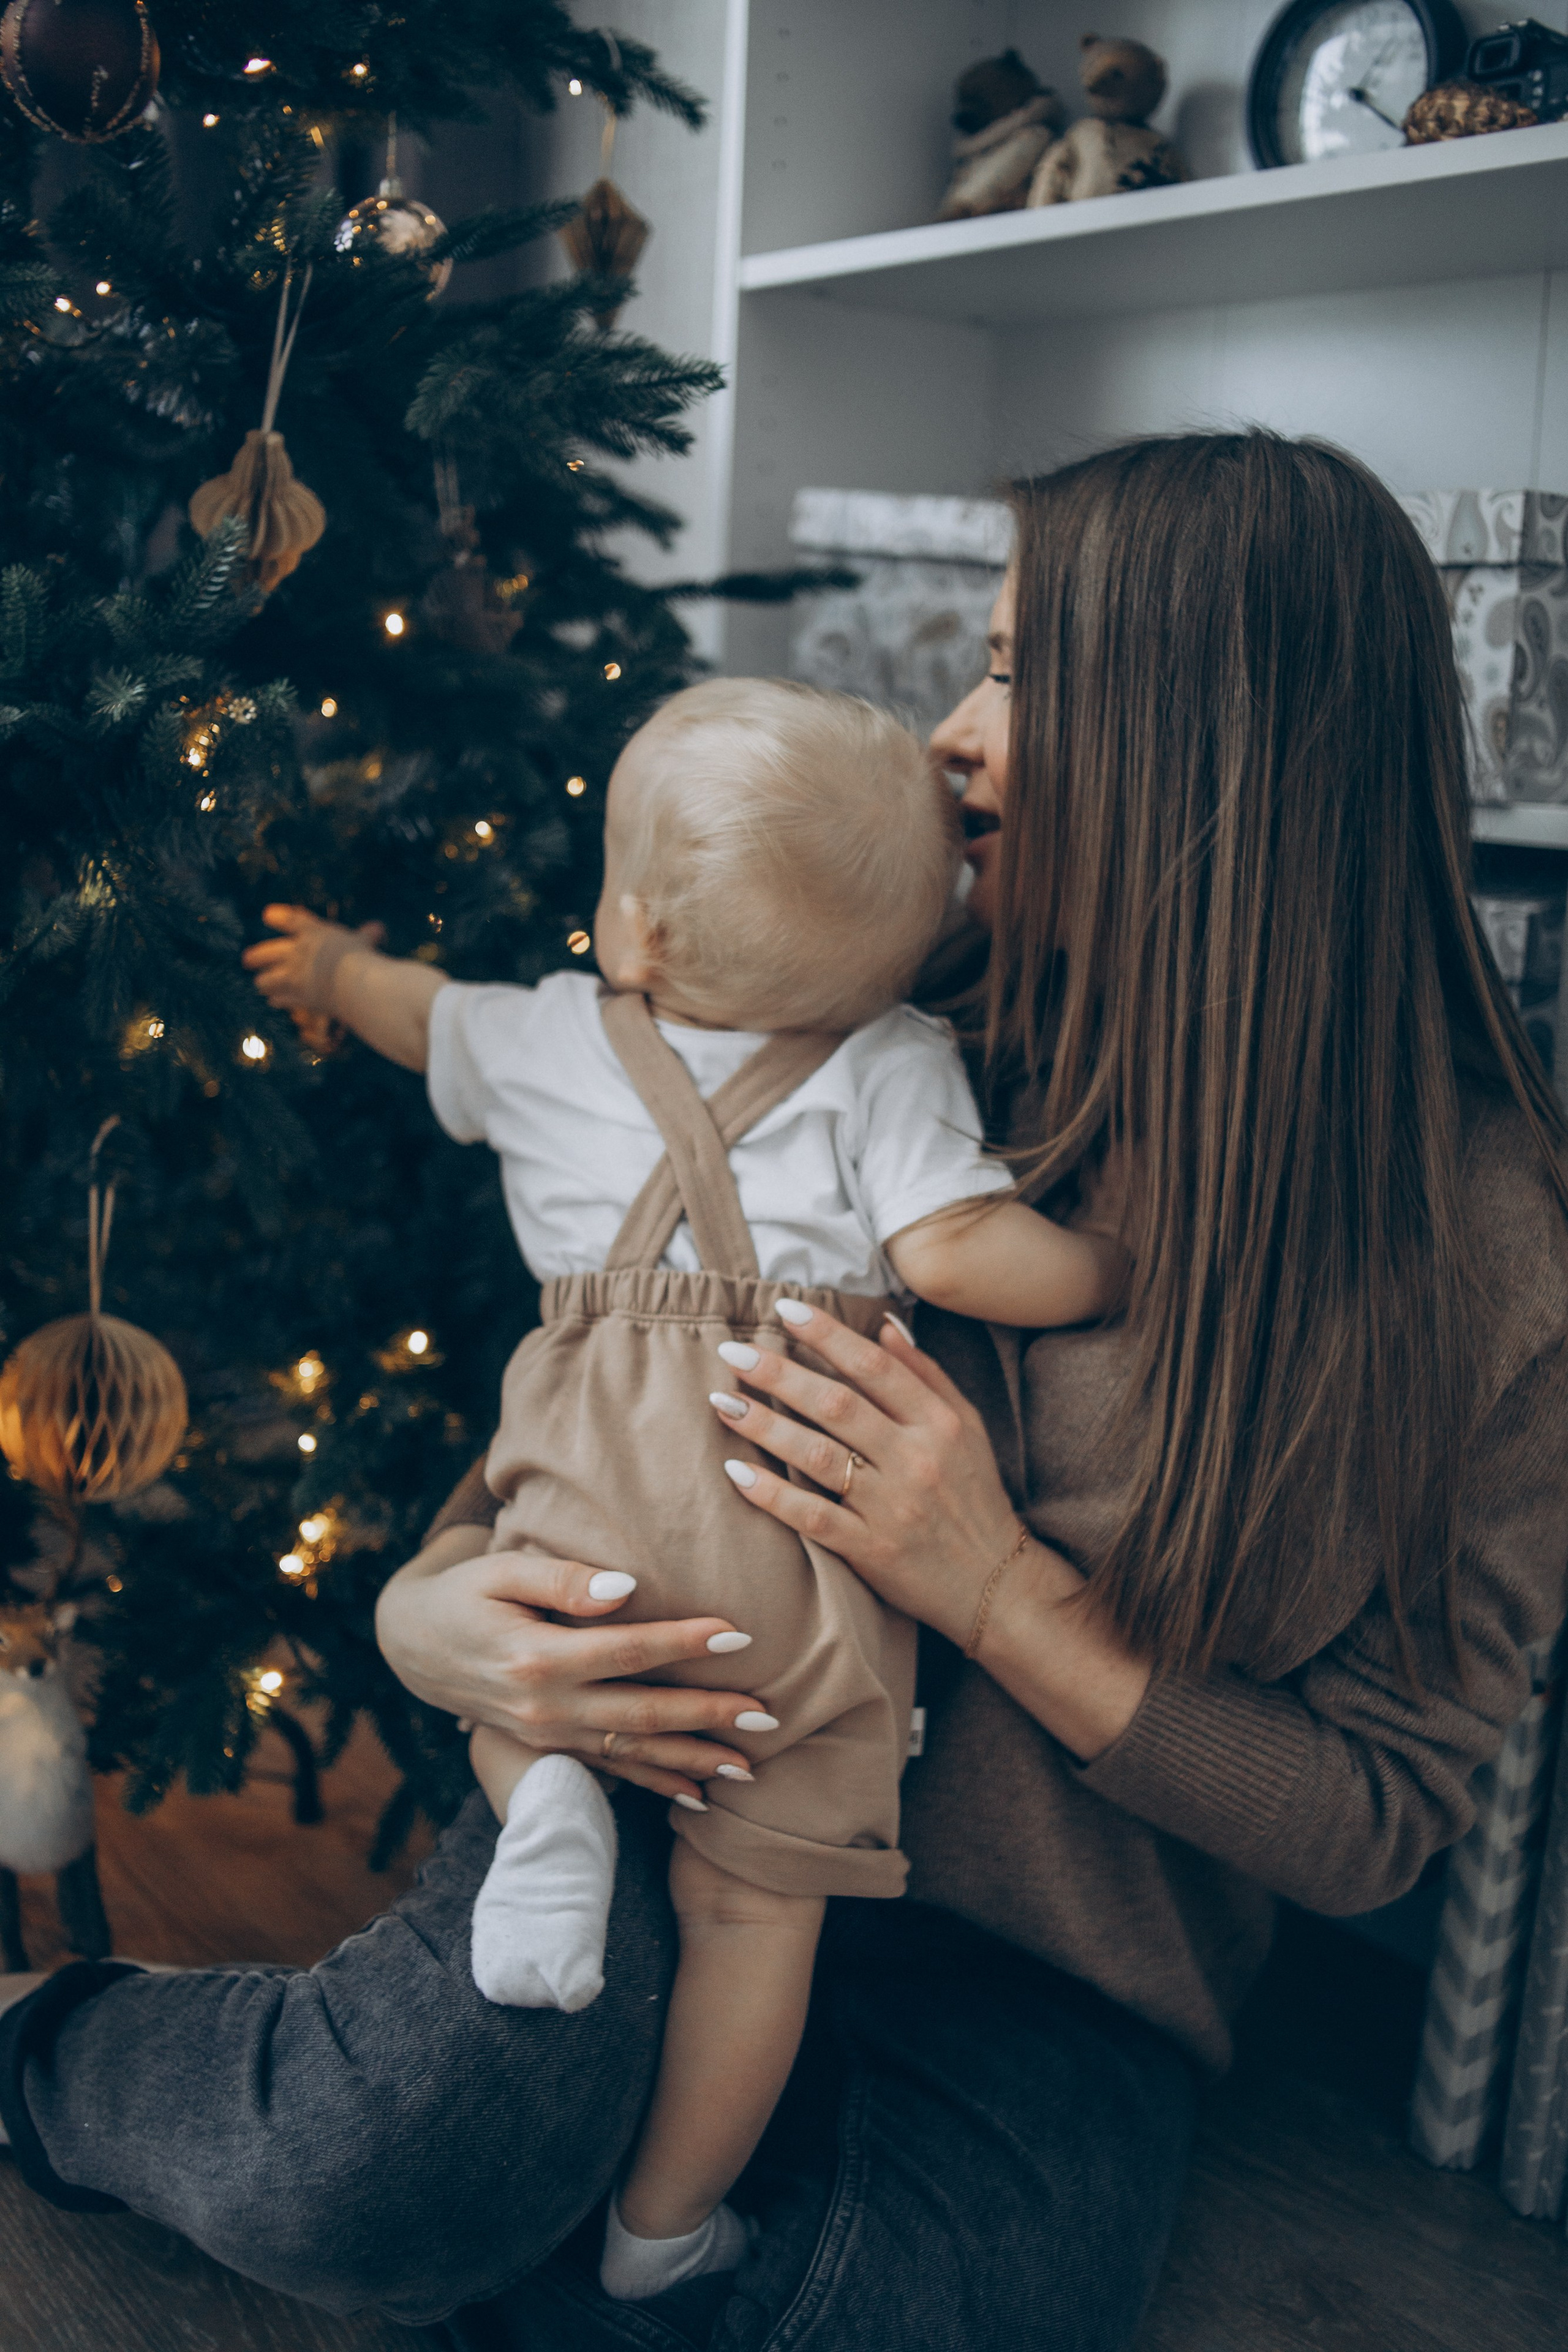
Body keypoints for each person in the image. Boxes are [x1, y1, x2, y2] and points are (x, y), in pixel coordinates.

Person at [3, 432, 1566, 2352]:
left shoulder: (1491, 1262)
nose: (950, 741)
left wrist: (995, 1590)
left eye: (1018, 672)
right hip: (676, 1801)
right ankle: (54, 2049)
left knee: (886, 2312)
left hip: (1036, 1976)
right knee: (383, 2157)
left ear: (1213, 750)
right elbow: (609, 1417)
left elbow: (1376, 1812)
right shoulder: (885, 1028)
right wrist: (438, 1621)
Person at [238, 676, 1128, 2302]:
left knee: (535, 1646)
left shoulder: (540, 1033)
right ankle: (663, 2237)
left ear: (632, 929)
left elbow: (414, 1008)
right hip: (788, 1513)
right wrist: (1117, 1270)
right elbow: (960, 1253)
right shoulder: (900, 1056)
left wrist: (329, 968)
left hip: (585, 1473)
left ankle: (550, 1803)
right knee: (752, 1917)